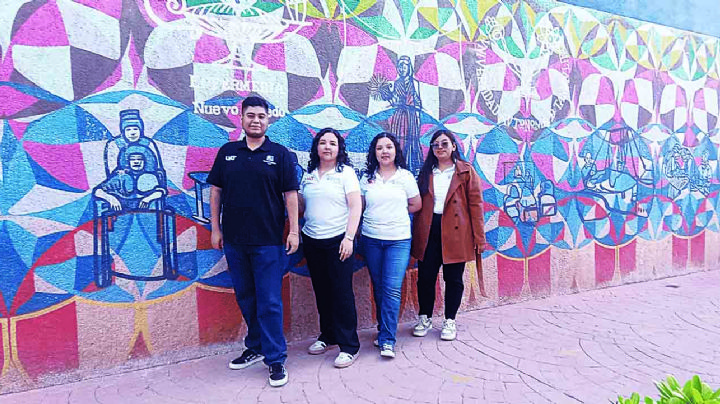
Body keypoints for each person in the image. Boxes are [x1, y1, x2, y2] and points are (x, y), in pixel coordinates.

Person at [207, 96, 299, 387]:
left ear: (268, 120)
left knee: (269, 301)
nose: (256, 120)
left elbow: (291, 195)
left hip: (268, 241)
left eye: (261, 116)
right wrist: (215, 229)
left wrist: (294, 231)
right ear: (242, 119)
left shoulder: (280, 154)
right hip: (234, 241)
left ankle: (276, 359)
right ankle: (256, 346)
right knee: (246, 297)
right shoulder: (227, 152)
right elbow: (216, 192)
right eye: (250, 115)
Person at [411, 129, 485, 341]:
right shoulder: (426, 172)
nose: (440, 148)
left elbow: (476, 205)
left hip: (456, 231)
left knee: (453, 279)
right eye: (435, 144)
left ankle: (450, 320)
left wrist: (479, 238)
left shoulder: (465, 171)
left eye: (444, 143)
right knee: (425, 278)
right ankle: (425, 317)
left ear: (453, 146)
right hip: (429, 229)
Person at [298, 128, 362, 368]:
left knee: (341, 292)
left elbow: (355, 206)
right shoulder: (309, 175)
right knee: (322, 290)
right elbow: (301, 206)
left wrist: (349, 237)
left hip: (339, 241)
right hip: (312, 240)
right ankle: (328, 335)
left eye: (332, 143)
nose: (327, 147)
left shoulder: (346, 173)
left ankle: (349, 346)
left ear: (339, 148)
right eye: (323, 142)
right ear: (316, 147)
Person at [360, 133, 421, 358]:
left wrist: (395, 214)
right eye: (379, 148)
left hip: (398, 240)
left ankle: (387, 340)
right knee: (379, 287)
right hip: (371, 239)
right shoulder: (367, 178)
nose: (384, 152)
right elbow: (360, 206)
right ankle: (383, 329)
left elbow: (416, 204)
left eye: (389, 147)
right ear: (374, 153)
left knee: (392, 288)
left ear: (396, 151)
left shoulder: (405, 177)